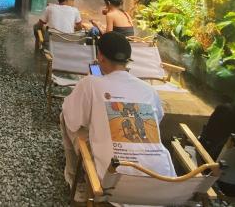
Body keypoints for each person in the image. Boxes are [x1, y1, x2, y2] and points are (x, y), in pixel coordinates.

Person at [61, 34, 174, 200]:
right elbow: (158, 119)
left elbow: (72, 118)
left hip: (114, 184)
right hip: (163, 185)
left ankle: (78, 183)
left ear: (100, 56)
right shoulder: (149, 90)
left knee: (66, 115)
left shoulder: (91, 83)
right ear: (127, 60)